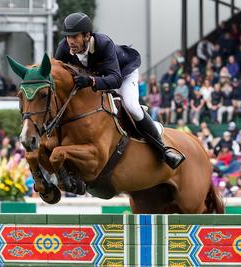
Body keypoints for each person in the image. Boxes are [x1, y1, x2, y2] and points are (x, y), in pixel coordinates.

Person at [54, 12, 185, 169]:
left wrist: (90, 81)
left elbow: (115, 80)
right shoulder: (63, 48)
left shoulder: (104, 43)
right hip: (98, 76)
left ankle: (163, 150)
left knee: (131, 107)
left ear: (87, 35)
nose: (70, 41)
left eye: (74, 37)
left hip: (123, 74)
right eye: (68, 37)